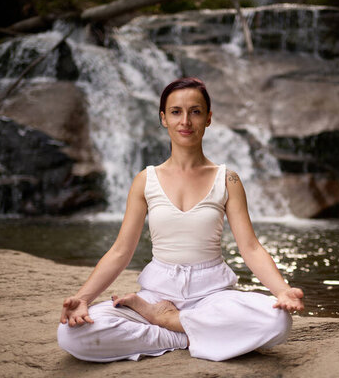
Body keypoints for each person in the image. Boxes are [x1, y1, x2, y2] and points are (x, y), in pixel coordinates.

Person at [57, 77, 304, 362]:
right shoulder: (145, 180)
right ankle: (187, 333)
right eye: (176, 112)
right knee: (71, 334)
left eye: (195, 111)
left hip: (212, 295)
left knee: (277, 322)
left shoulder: (228, 179)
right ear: (163, 118)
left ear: (208, 118)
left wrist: (283, 291)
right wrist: (83, 299)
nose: (185, 120)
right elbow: (121, 251)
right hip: (157, 294)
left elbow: (250, 248)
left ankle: (173, 324)